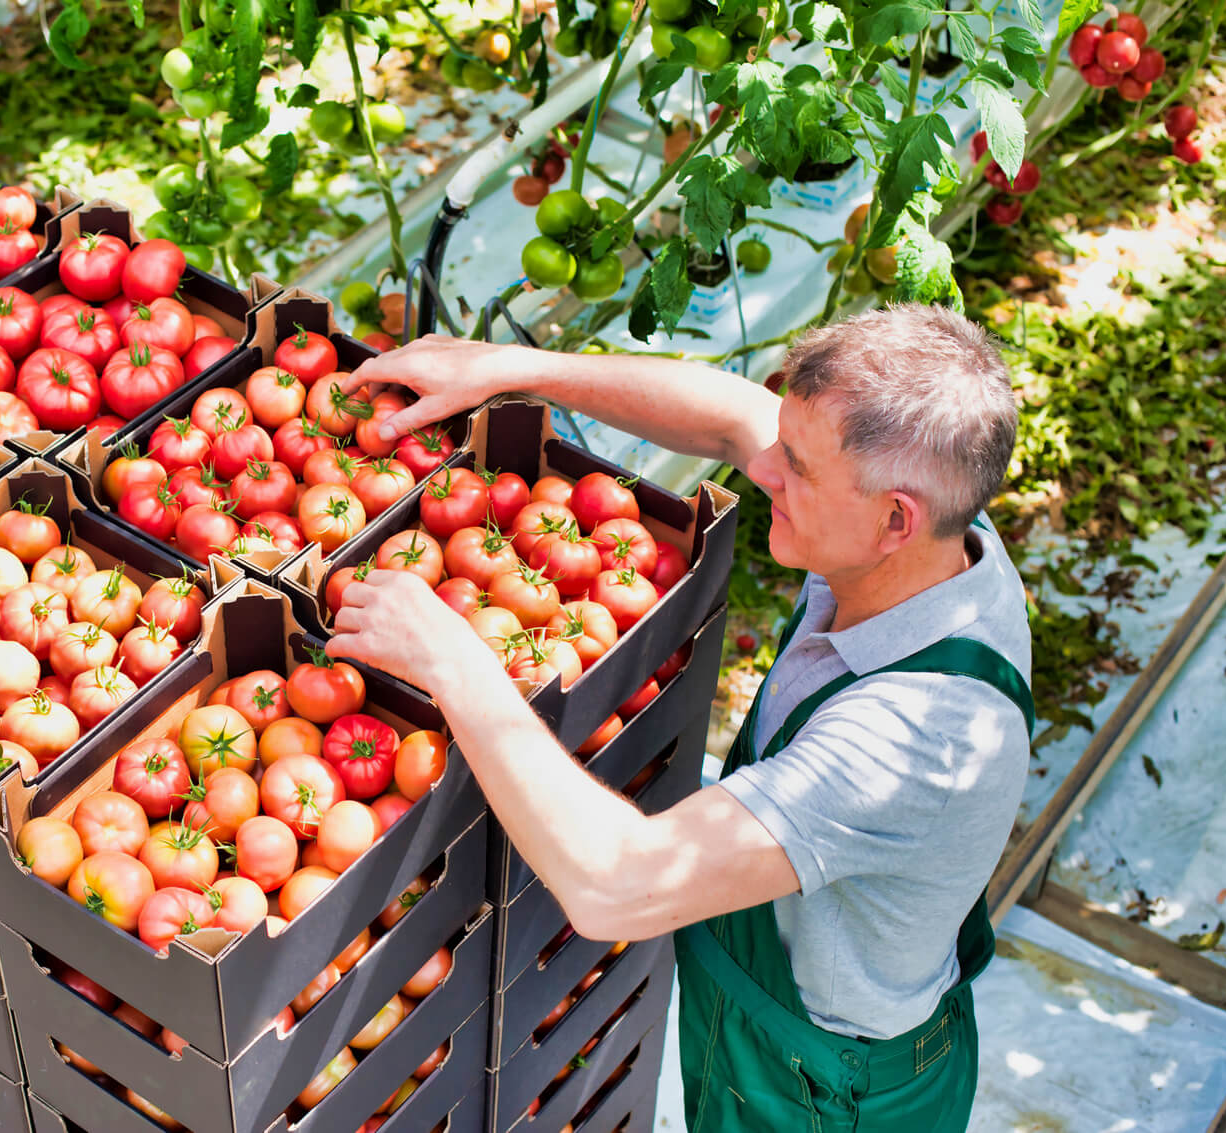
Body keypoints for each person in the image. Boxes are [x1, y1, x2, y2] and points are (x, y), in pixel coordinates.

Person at [327, 304, 1034, 1132]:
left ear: (894, 521)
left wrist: (454, 661)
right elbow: (733, 414)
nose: (764, 470)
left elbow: (617, 883)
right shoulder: (936, 542)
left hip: (825, 1090)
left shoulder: (910, 740)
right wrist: (514, 368)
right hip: (772, 1011)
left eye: (797, 468)